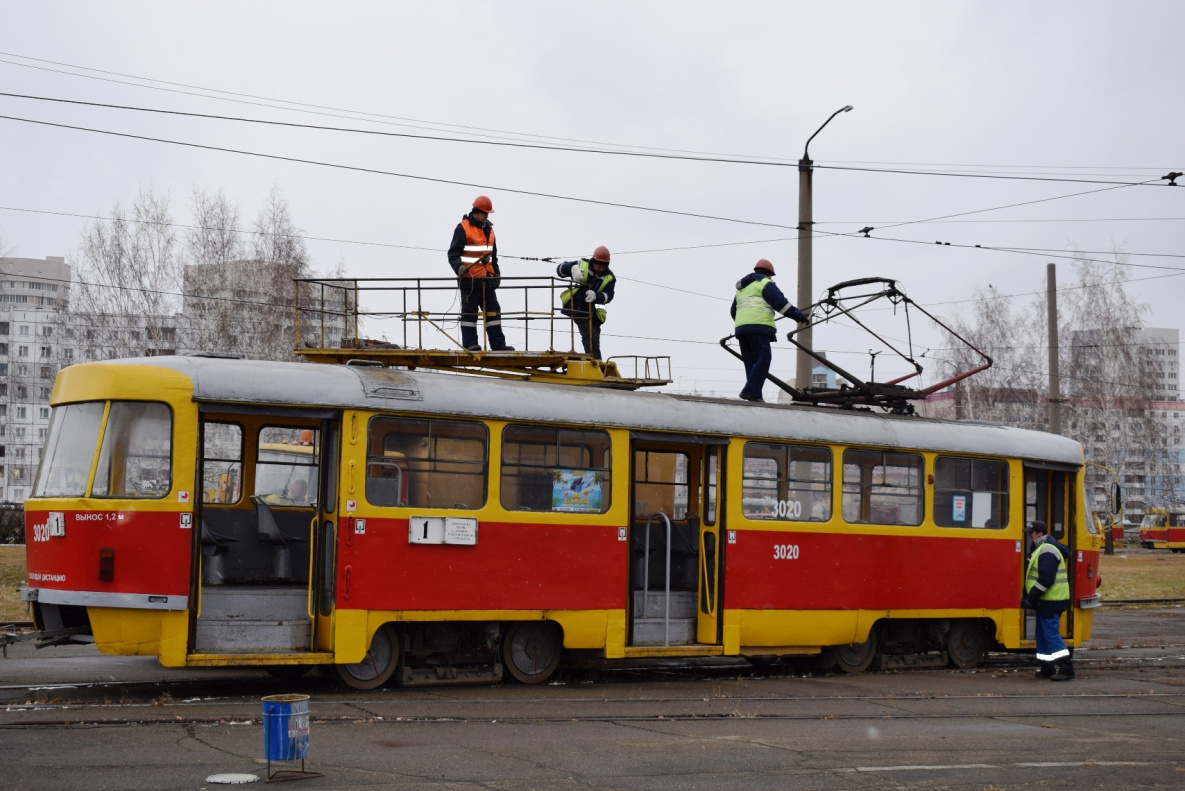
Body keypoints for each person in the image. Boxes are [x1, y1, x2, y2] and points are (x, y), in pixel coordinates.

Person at [730, 258, 808, 402]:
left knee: (751, 363)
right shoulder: (766, 283)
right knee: (763, 360)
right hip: (760, 328)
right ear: (769, 274)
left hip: (742, 330)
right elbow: (781, 304)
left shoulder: (742, 288)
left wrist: (744, 323)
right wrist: (799, 316)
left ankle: (755, 395)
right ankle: (750, 391)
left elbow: (733, 311)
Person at [448, 195, 514, 352]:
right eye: (484, 213)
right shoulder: (463, 228)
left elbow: (493, 257)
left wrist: (496, 274)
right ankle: (470, 344)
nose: (486, 216)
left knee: (493, 313)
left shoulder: (490, 231)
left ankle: (498, 344)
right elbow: (453, 254)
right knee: (469, 314)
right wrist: (459, 268)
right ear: (476, 212)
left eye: (487, 214)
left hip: (487, 280)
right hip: (469, 281)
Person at [1022, 520, 1074, 680]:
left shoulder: (1047, 551)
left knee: (1050, 634)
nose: (1029, 537)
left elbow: (1046, 579)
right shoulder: (1043, 548)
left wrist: (1031, 598)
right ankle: (1047, 668)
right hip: (1047, 600)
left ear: (1039, 534)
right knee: (1042, 635)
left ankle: (1066, 669)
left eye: (1031, 533)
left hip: (1052, 600)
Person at [557, 246, 615, 360]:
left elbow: (609, 296)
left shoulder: (609, 277)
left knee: (595, 338)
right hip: (577, 307)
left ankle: (595, 360)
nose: (599, 268)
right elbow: (560, 269)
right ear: (593, 261)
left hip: (595, 313)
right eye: (598, 265)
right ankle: (595, 362)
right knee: (589, 335)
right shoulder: (582, 265)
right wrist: (572, 268)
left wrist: (596, 296)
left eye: (602, 266)